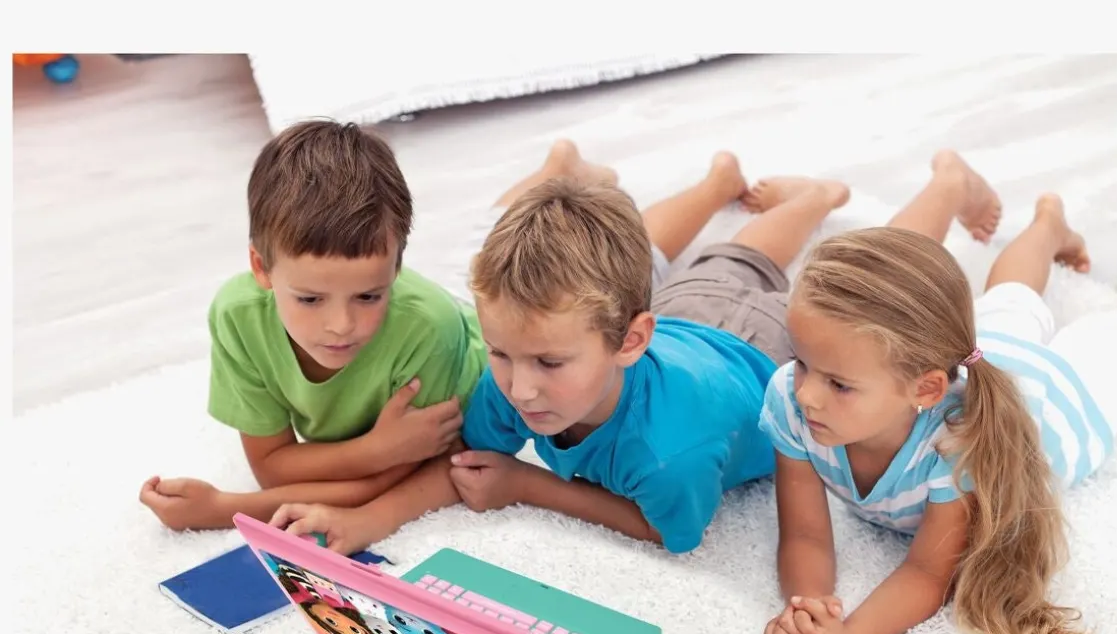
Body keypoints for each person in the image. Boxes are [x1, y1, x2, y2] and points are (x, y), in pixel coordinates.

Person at [269, 146, 1004, 555]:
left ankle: (938, 185)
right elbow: (461, 462)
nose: (519, 389)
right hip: (682, 321)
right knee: (719, 260)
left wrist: (528, 485)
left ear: (629, 341)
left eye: (547, 364)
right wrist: (370, 521)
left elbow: (667, 530)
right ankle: (744, 187)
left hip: (758, 348)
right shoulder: (524, 363)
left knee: (865, 291)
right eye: (500, 354)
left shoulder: (668, 455)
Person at [758, 166, 1117, 634]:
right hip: (988, 352)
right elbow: (805, 534)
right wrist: (809, 612)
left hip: (1057, 405)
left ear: (924, 389)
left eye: (839, 384)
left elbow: (926, 573)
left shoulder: (959, 443)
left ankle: (1055, 230)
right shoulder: (795, 398)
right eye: (800, 361)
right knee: (1010, 297)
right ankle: (1049, 223)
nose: (805, 392)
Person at [138, 119, 487, 532]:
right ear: (260, 268)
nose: (341, 326)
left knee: (501, 246)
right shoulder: (238, 317)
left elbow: (402, 477)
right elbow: (272, 468)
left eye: (368, 296)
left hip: (474, 331)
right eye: (309, 299)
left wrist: (227, 510)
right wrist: (374, 450)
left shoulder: (430, 329)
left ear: (397, 268)